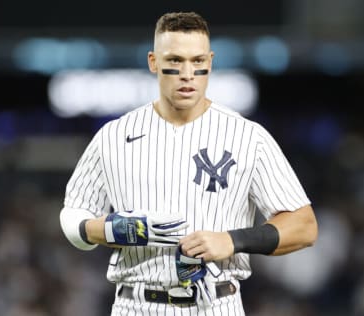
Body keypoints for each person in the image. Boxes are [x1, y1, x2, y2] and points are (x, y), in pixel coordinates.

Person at [59, 11, 318, 315]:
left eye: (197, 62)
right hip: (135, 304)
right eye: (175, 61)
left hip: (215, 303)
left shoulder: (248, 136)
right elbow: (72, 215)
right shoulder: (114, 135)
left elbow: (304, 226)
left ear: (210, 61)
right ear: (154, 62)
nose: (187, 73)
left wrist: (232, 240)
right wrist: (107, 230)